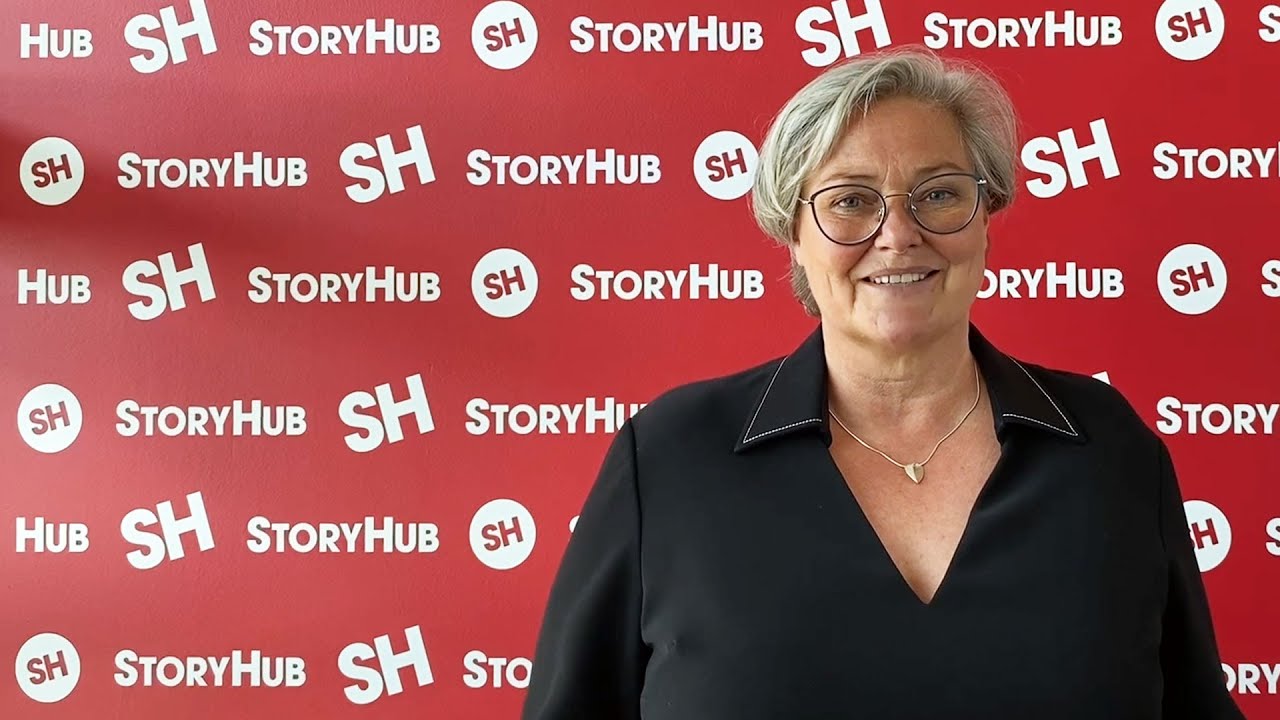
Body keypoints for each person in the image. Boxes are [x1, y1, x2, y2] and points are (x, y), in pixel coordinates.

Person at [520, 45, 1244, 719]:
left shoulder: (1106, 447)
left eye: (938, 195)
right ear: (793, 237)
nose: (898, 234)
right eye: (850, 201)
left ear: (986, 217)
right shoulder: (673, 456)